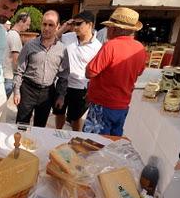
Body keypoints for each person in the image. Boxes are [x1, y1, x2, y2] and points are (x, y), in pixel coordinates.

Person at [83, 7, 147, 136]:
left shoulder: (111, 45)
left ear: (116, 29)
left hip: (103, 105)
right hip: (122, 106)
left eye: (109, 26)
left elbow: (90, 72)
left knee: (92, 145)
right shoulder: (140, 48)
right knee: (112, 144)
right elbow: (139, 72)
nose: (107, 29)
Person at [14, 10, 69, 127]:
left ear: (58, 26)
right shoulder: (29, 45)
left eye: (51, 25)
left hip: (47, 93)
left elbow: (63, 76)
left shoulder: (62, 50)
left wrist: (61, 96)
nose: (47, 28)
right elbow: (19, 70)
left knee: (40, 127)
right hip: (28, 90)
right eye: (44, 24)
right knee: (21, 125)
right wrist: (17, 91)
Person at [53, 11, 102, 131]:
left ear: (90, 24)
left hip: (81, 87)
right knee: (59, 113)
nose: (75, 27)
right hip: (63, 84)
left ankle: (75, 139)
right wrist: (64, 27)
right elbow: (52, 38)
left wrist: (91, 90)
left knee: (75, 118)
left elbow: (97, 71)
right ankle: (57, 134)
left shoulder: (97, 47)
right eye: (74, 24)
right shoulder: (69, 37)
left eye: (79, 24)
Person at [3, 12, 31, 99]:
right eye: (27, 24)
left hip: (4, 75)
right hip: (9, 77)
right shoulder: (15, 36)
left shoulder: (9, 33)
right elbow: (16, 60)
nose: (28, 27)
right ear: (21, 21)